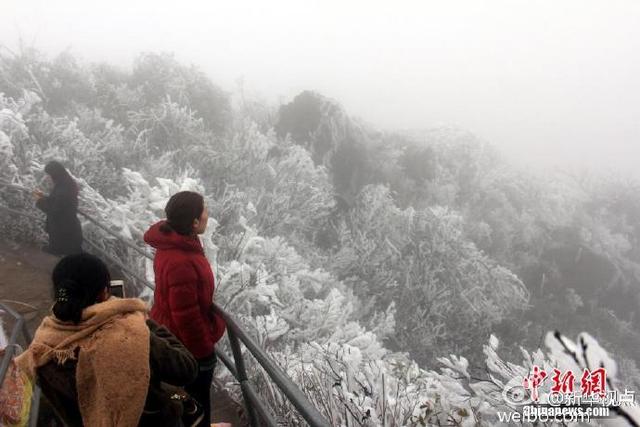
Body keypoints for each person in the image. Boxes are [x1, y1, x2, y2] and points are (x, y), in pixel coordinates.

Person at [15, 253, 199, 427]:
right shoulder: (129, 335)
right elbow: (186, 368)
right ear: (104, 293)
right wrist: (146, 324)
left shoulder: (43, 343)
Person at [144, 191, 226, 427]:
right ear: (193, 221)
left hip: (170, 330)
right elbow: (187, 316)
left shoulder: (174, 242)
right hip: (188, 344)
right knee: (196, 398)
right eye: (205, 210)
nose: (208, 215)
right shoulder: (182, 260)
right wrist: (204, 354)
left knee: (179, 392)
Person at [33, 161, 83, 255]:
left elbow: (55, 209)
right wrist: (43, 197)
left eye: (48, 175)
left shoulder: (64, 188)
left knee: (69, 258)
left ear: (54, 174)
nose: (47, 178)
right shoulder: (65, 183)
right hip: (66, 230)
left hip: (64, 232)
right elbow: (57, 202)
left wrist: (39, 200)